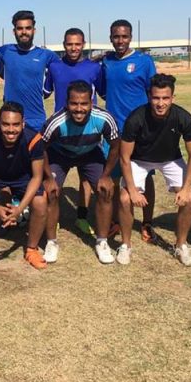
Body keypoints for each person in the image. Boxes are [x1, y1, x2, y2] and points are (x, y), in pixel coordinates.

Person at [118, 74, 191, 266]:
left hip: (171, 159)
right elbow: (124, 157)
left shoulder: (183, 117)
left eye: (165, 98)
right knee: (124, 198)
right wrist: (132, 190)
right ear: (149, 96)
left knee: (190, 199)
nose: (160, 103)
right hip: (139, 160)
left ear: (173, 98)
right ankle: (125, 245)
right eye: (156, 98)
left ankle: (181, 245)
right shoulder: (136, 118)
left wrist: (185, 188)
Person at [41, 81, 119, 264]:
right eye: (74, 103)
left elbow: (116, 145)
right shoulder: (56, 122)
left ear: (91, 103)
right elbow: (40, 148)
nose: (78, 109)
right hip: (60, 154)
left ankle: (102, 241)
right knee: (50, 192)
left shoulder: (104, 118)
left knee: (105, 190)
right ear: (67, 103)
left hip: (90, 154)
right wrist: (48, 178)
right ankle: (51, 242)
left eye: (84, 103)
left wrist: (106, 175)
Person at [0, 102, 48, 270]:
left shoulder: (34, 139)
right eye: (6, 124)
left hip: (22, 177)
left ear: (23, 123)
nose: (11, 130)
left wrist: (19, 209)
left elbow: (37, 177)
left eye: (15, 124)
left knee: (41, 202)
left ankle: (32, 249)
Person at [100, 19, 158, 241]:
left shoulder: (144, 61)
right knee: (114, 177)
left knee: (146, 176)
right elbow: (104, 91)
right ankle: (117, 220)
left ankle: (147, 222)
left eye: (124, 36)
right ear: (111, 38)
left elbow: (153, 92)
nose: (120, 40)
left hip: (140, 130)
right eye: (116, 36)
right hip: (114, 130)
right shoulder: (107, 62)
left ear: (131, 37)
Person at [43, 27, 103, 234]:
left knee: (85, 177)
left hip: (87, 131)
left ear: (83, 45)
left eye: (77, 44)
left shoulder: (94, 68)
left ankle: (81, 217)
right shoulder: (54, 67)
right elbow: (44, 91)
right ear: (64, 45)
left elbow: (104, 92)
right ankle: (54, 218)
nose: (74, 48)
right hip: (62, 132)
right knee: (54, 182)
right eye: (70, 44)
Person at [0, 10, 59, 132]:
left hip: (36, 121)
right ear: (14, 31)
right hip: (11, 121)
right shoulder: (4, 51)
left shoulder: (46, 55)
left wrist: (47, 89)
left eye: (28, 28)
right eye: (20, 28)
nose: (24, 32)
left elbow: (62, 71)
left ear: (34, 30)